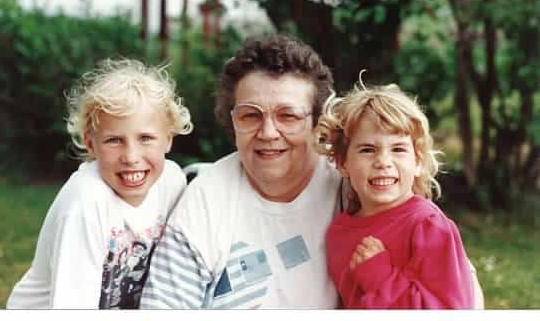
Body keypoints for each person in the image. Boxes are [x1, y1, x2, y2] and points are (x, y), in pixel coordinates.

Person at [140, 34, 484, 309]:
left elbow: (459, 291)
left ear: (318, 122)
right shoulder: (205, 200)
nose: (269, 132)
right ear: (232, 121)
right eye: (250, 115)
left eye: (288, 115)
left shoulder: (353, 183)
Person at [6, 58, 193, 309]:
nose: (131, 157)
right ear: (91, 143)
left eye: (146, 138)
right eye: (114, 140)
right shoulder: (85, 203)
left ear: (168, 139)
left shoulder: (172, 182)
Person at [314, 79, 474, 308]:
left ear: (418, 161)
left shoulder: (428, 226)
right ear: (342, 163)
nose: (383, 162)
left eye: (398, 149)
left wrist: (380, 280)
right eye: (368, 150)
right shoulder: (337, 233)